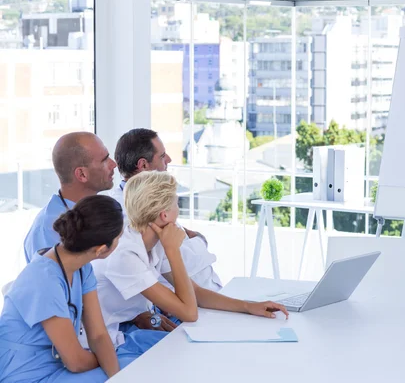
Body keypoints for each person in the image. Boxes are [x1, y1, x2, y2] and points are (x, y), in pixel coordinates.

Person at [94, 171, 288, 342]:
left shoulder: (152, 240)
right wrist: (173, 250)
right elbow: (189, 312)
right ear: (164, 215)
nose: (178, 210)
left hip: (123, 327)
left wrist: (248, 306)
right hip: (102, 338)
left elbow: (195, 292)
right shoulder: (126, 254)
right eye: (176, 204)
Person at [0, 196, 165, 383]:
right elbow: (75, 362)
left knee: (139, 367)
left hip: (57, 364)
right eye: (120, 237)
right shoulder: (44, 280)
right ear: (101, 249)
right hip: (25, 374)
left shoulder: (82, 268)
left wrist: (115, 374)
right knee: (139, 372)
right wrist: (108, 363)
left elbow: (99, 335)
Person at [105, 128, 222, 292]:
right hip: (186, 299)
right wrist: (200, 241)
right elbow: (183, 258)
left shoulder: (152, 197)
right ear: (143, 165)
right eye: (162, 156)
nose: (168, 159)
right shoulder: (127, 210)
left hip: (203, 292)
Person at [23, 132, 117, 263]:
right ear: (82, 174)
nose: (114, 165)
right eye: (105, 160)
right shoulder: (48, 230)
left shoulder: (93, 214)